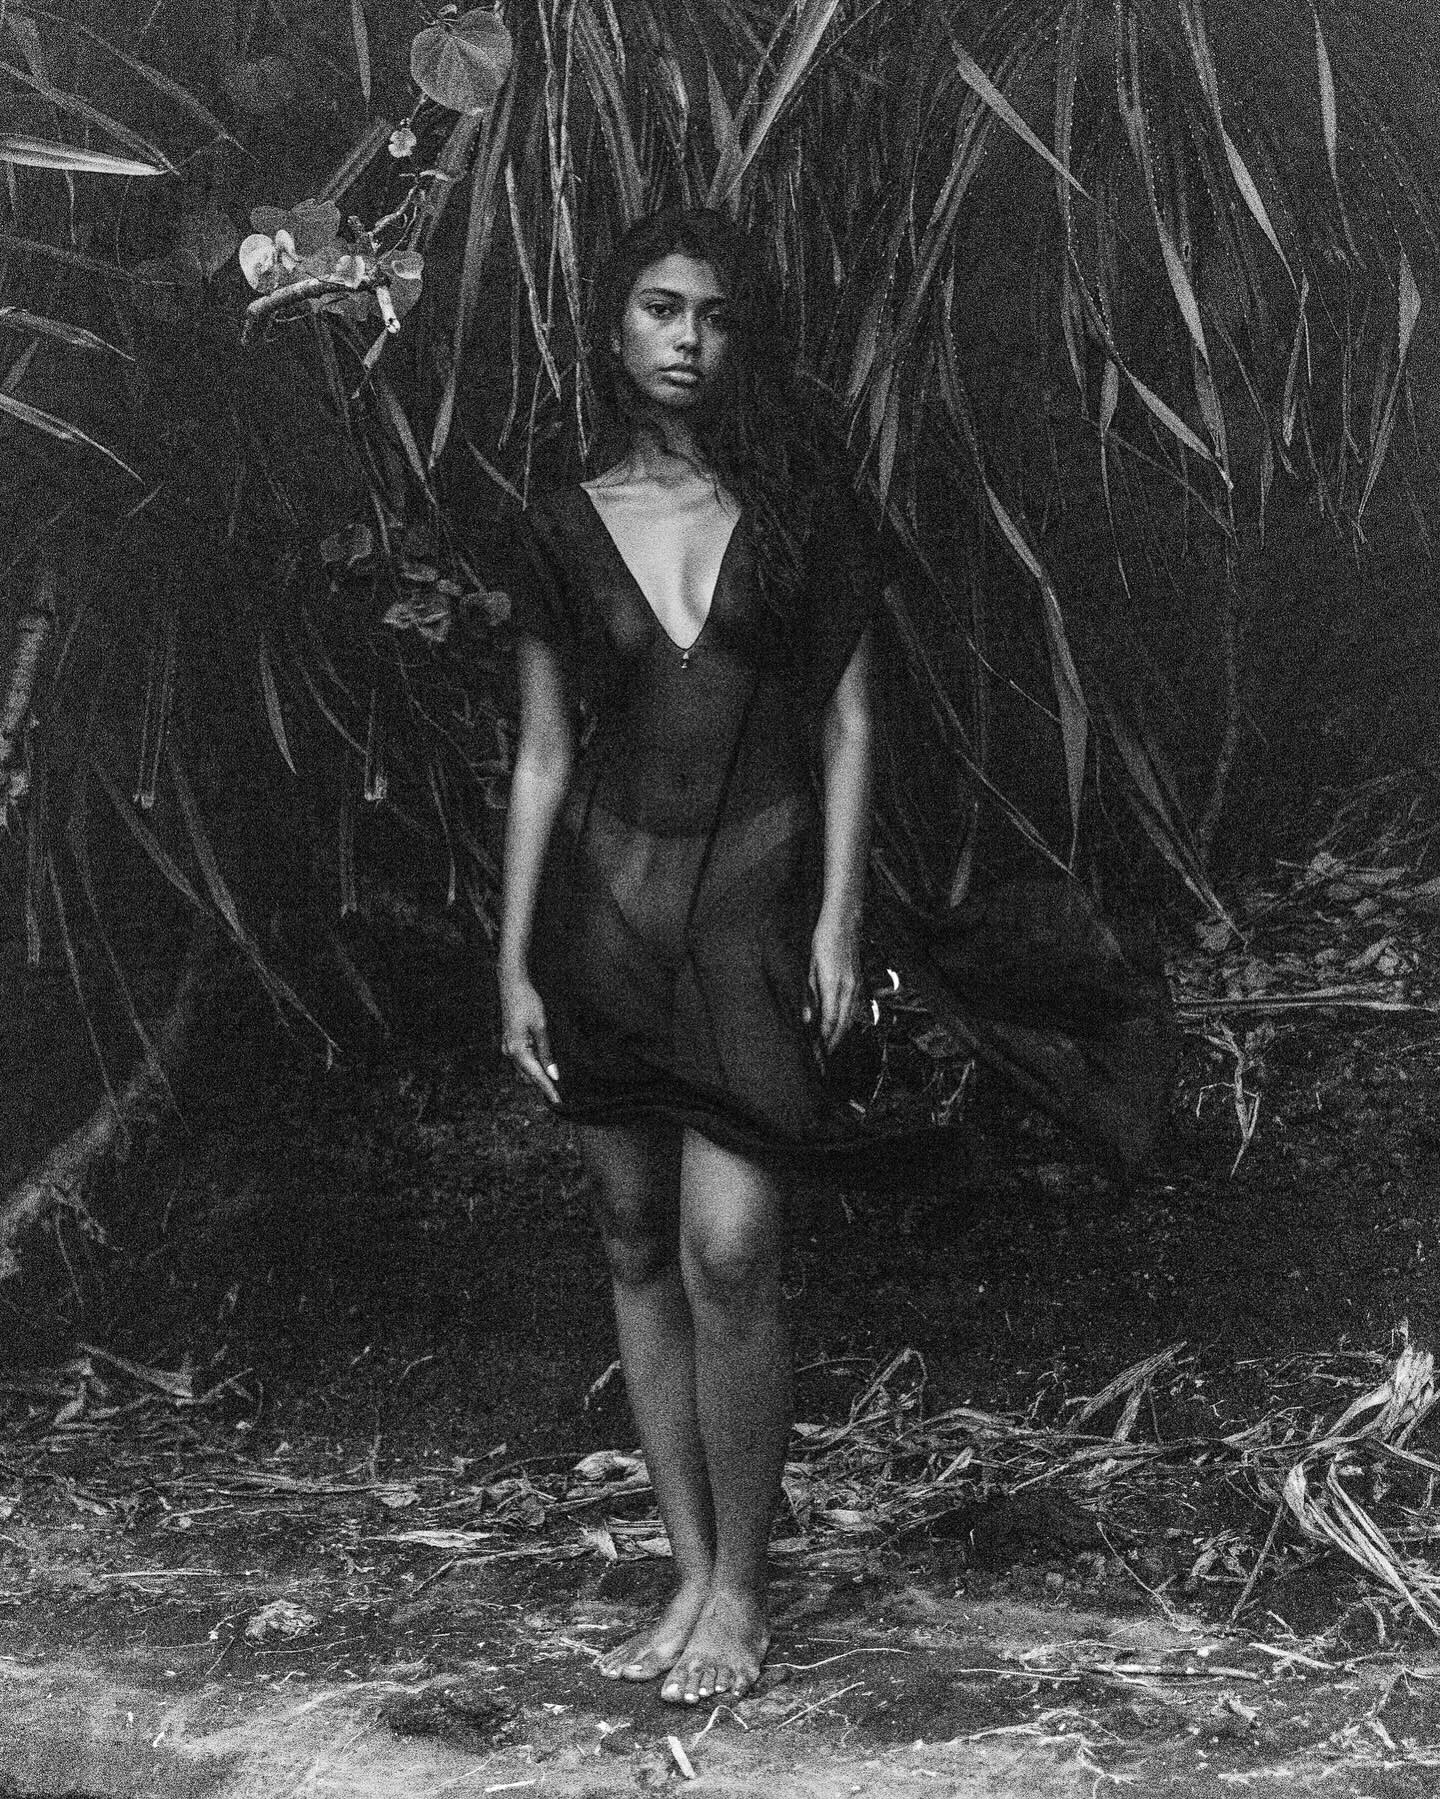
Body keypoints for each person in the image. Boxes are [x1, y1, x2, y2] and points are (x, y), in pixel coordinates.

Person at [497, 206, 876, 1706]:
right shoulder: (557, 524)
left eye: (714, 317)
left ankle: (746, 1589)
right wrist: (511, 965)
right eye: (661, 309)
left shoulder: (804, 515)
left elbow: (849, 724)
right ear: (614, 326)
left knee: (731, 1249)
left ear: (740, 340)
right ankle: (689, 1569)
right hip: (602, 918)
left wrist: (840, 919)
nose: (687, 339)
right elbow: (541, 754)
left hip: (752, 917)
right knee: (635, 1244)